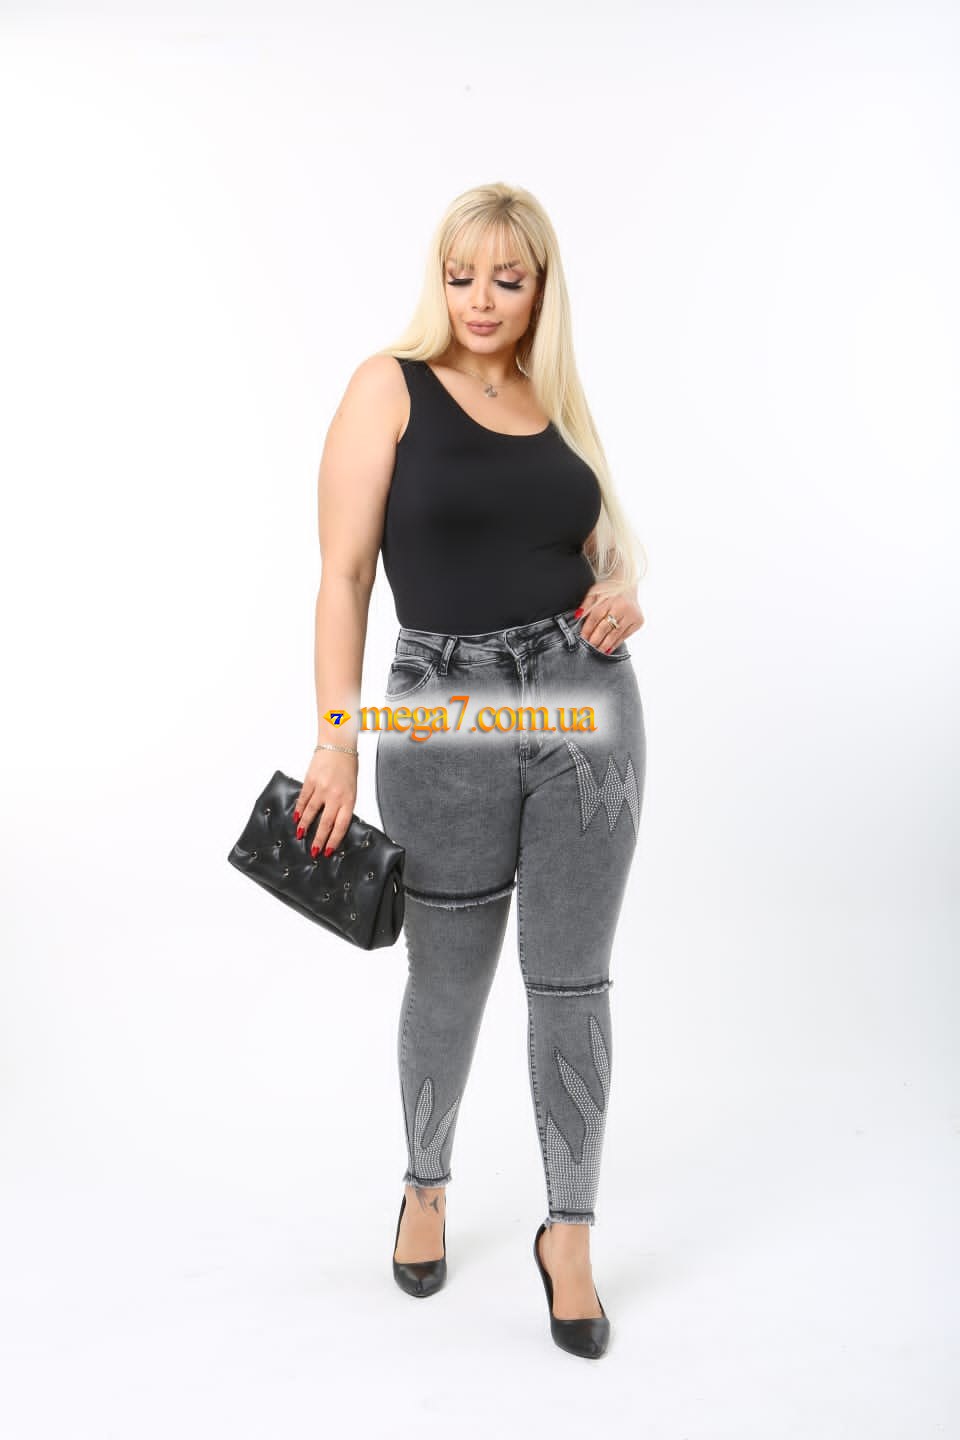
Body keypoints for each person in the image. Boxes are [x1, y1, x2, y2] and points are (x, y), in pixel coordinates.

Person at [293, 182, 647, 1359]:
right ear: (437, 279)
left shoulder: (556, 400)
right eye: (461, 276)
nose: (482, 300)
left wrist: (622, 590)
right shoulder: (387, 387)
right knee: (447, 977)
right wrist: (335, 738)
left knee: (573, 981)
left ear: (541, 287)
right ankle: (426, 1186)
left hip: (586, 704)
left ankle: (571, 1237)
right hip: (442, 708)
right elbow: (345, 577)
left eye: (508, 278)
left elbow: (598, 548)